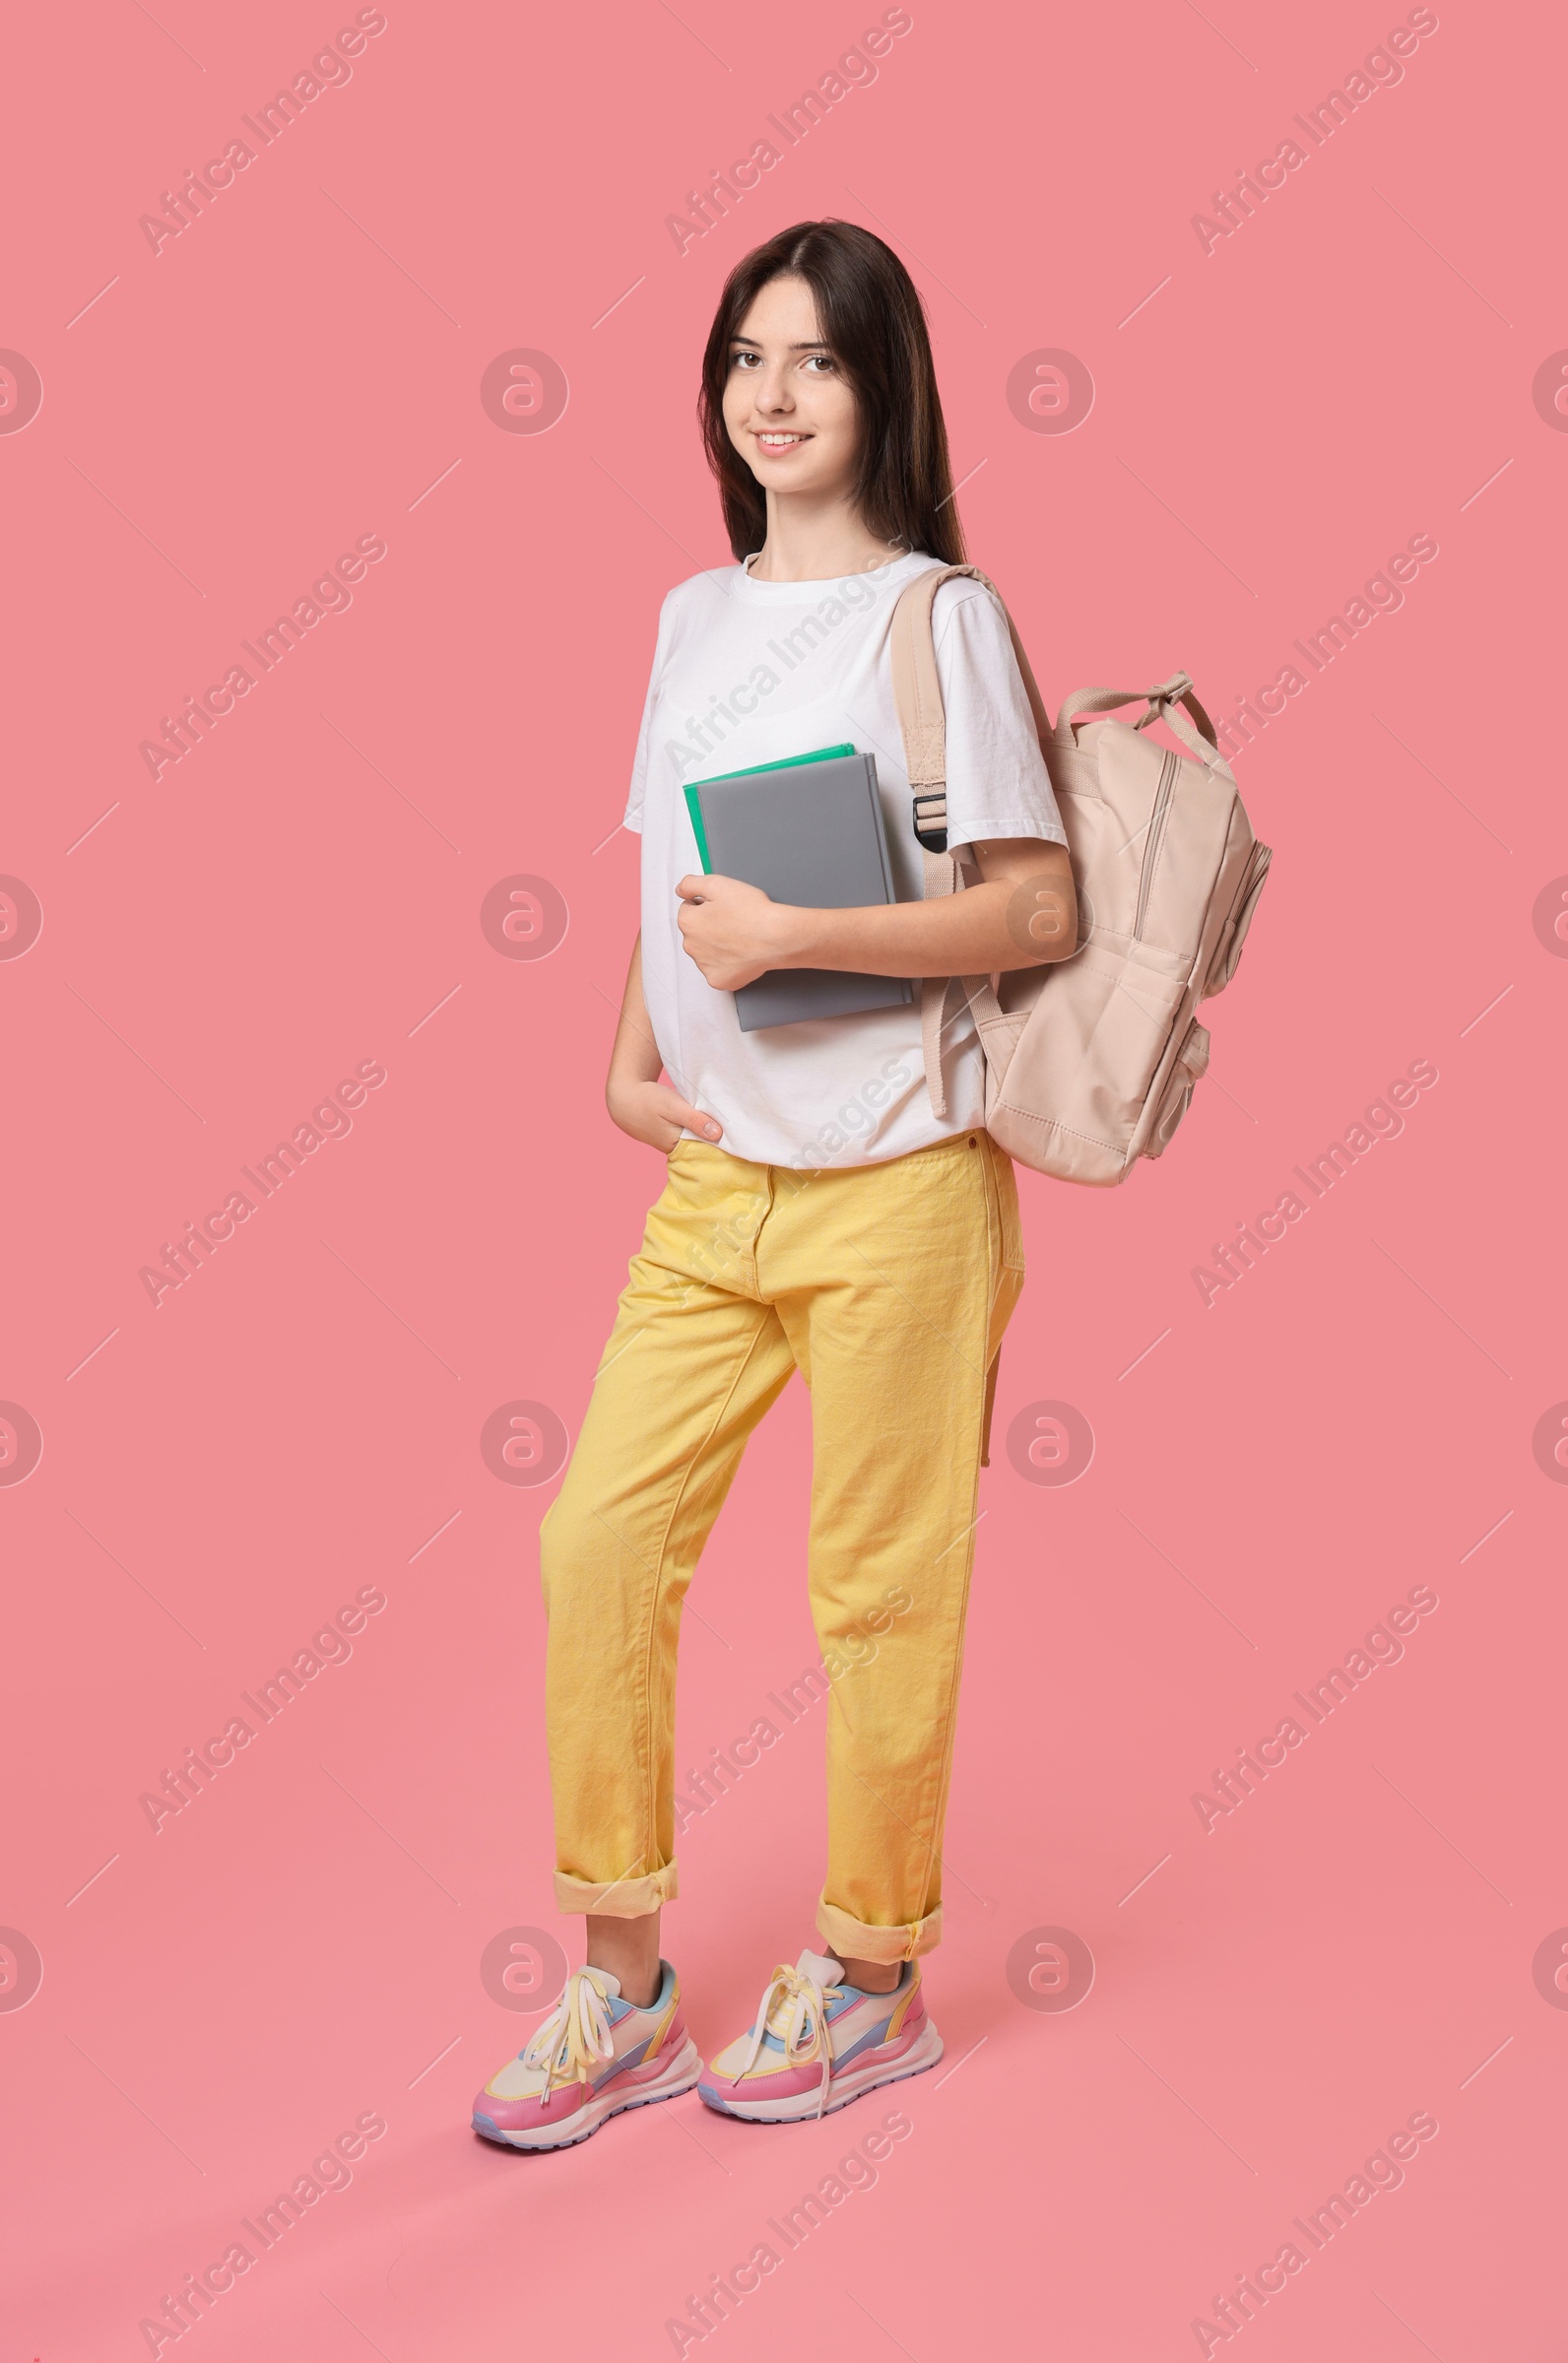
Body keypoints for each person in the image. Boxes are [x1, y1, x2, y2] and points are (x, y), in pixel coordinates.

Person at [473, 220, 1075, 2150]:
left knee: (876, 1594)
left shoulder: (936, 616)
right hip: (714, 1196)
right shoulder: (688, 615)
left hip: (896, 1185)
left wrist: (802, 927)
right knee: (594, 1545)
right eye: (745, 356)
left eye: (812, 359)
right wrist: (627, 1055)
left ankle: (874, 1978)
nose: (772, 392)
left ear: (878, 385)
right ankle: (617, 1985)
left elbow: (1034, 903)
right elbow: (663, 865)